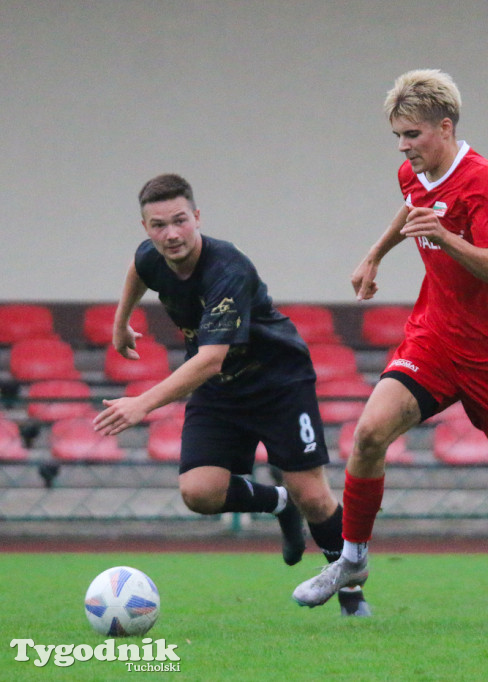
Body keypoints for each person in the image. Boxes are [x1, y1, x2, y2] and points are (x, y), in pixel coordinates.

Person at [292, 69, 488, 622]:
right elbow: (413, 207)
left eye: (411, 135)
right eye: (397, 136)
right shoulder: (412, 174)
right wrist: (375, 255)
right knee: (368, 435)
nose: (403, 146)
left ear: (445, 126)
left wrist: (445, 237)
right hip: (435, 337)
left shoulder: (486, 181)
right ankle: (353, 558)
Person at [93, 173, 369, 617]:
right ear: (146, 228)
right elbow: (138, 267)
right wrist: (120, 321)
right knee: (199, 493)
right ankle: (278, 503)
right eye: (159, 225)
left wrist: (141, 403)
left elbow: (209, 359)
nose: (171, 233)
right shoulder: (152, 255)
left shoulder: (227, 269)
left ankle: (351, 592)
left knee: (313, 495)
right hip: (222, 392)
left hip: (278, 383)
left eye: (180, 221)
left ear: (197, 217)